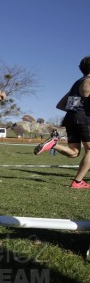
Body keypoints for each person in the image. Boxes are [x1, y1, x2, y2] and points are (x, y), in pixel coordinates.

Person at [34, 56, 90, 188]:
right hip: (82, 119)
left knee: (74, 152)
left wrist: (76, 110)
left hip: (70, 117)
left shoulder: (76, 84)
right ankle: (77, 182)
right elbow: (86, 95)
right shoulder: (88, 81)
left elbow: (60, 105)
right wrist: (82, 110)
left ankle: (53, 145)